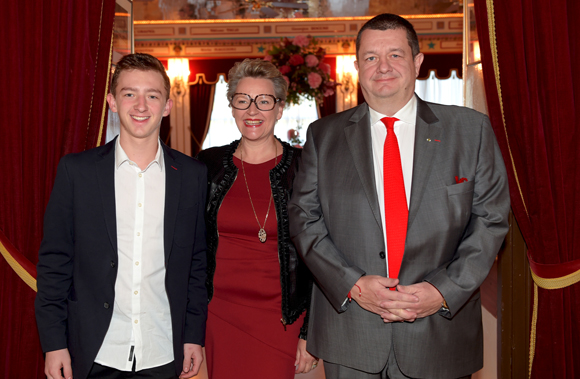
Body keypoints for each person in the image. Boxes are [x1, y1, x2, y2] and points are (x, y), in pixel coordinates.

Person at [288, 14, 510, 379]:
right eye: (371, 57)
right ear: (357, 66)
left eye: (395, 54)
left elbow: (490, 220)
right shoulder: (322, 136)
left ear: (418, 62)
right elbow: (304, 219)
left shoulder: (470, 131)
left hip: (439, 335)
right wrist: (354, 285)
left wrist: (441, 292)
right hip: (351, 335)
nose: (383, 67)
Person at [35, 53, 208, 379]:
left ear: (167, 105)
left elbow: (196, 265)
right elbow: (55, 263)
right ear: (112, 102)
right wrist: (53, 343)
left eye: (152, 95)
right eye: (130, 94)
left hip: (162, 349)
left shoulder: (192, 176)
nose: (141, 105)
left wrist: (193, 336)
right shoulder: (77, 171)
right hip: (94, 350)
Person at [196, 58, 317, 379]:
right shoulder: (208, 165)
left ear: (279, 109)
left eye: (264, 101)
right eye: (242, 100)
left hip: (283, 319)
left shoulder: (305, 166)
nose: (253, 111)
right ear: (232, 107)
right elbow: (192, 248)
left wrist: (310, 330)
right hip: (219, 315)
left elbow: (321, 254)